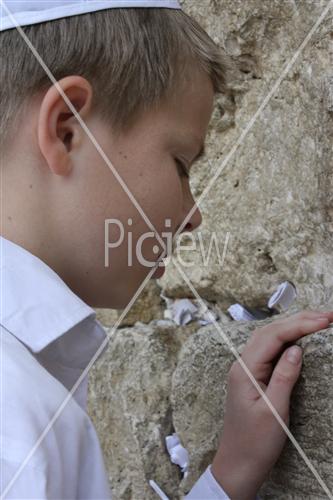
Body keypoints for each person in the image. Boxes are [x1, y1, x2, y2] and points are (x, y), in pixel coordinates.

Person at [0, 1, 332, 498]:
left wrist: (228, 475)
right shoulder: (19, 431)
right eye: (181, 163)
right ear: (67, 130)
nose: (193, 213)